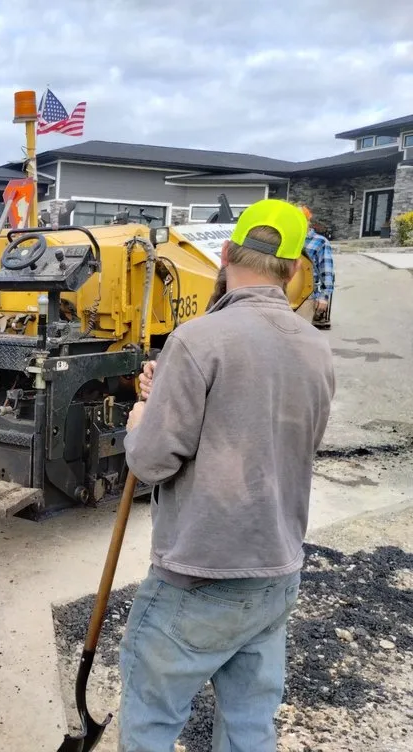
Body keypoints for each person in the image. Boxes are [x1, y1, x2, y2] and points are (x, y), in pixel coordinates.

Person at [118, 199, 335, 751]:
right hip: (275, 575)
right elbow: (282, 437)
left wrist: (143, 414)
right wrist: (169, 384)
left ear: (225, 253)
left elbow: (151, 462)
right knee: (248, 728)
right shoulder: (315, 349)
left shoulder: (197, 339)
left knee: (151, 719)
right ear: (291, 268)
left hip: (199, 576)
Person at [300, 206, 335, 330]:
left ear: (307, 221)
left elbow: (327, 271)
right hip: (283, 295)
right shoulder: (285, 239)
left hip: (307, 296)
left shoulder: (320, 242)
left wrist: (323, 297)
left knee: (301, 333)